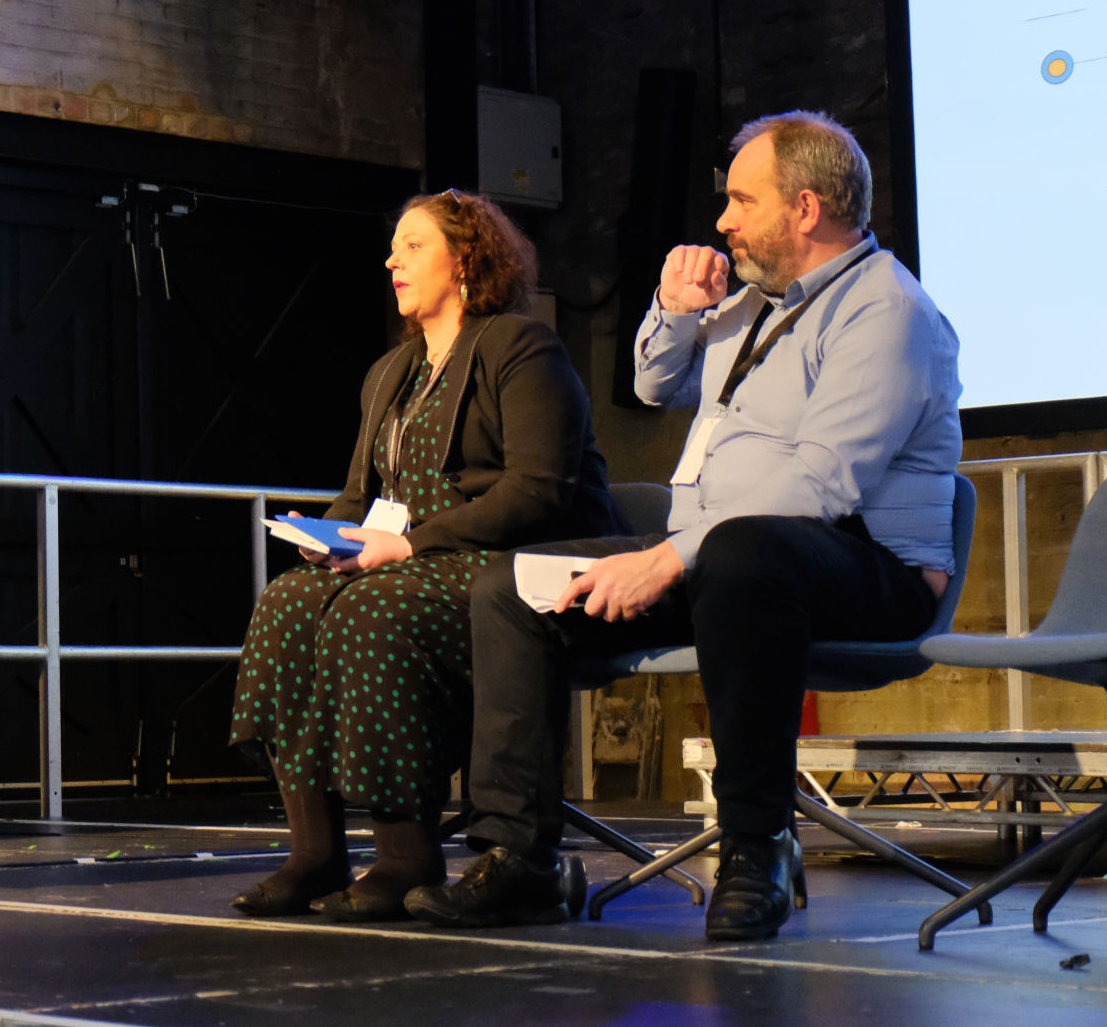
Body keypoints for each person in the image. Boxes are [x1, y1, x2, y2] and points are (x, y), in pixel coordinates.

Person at [410, 111, 961, 939]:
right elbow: (651, 384)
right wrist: (672, 308)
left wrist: (669, 557)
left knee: (746, 552)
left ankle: (757, 843)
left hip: (869, 566)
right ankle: (519, 858)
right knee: (512, 587)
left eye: (742, 200)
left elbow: (821, 478)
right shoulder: (755, 306)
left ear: (805, 209)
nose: (723, 221)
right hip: (726, 555)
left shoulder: (887, 311)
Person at [227, 189, 624, 922]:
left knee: (376, 611)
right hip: (409, 558)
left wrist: (405, 544)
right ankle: (314, 853)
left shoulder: (520, 345)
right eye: (394, 247)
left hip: (504, 561)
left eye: (412, 245)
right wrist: (323, 536)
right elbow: (360, 495)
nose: (392, 260)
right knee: (285, 603)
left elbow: (540, 490)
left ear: (465, 258)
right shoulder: (389, 372)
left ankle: (405, 856)